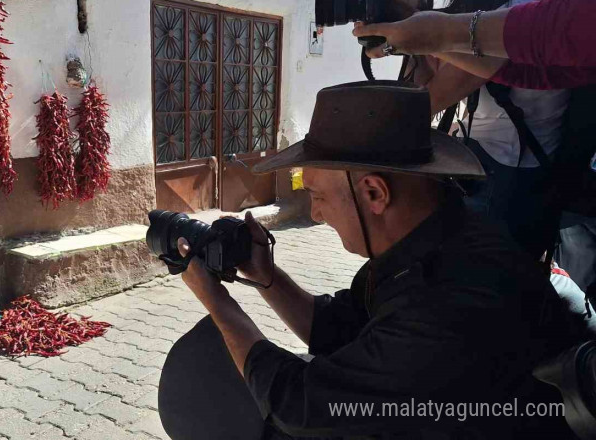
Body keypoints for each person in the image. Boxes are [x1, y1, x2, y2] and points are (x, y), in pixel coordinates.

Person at [158, 81, 581, 438]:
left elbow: (299, 403)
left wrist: (217, 302)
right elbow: (336, 327)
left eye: (319, 196)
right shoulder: (433, 238)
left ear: (375, 194)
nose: (316, 214)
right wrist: (267, 277)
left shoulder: (448, 298)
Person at [406, 0, 568, 259]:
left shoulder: (519, 11)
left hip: (507, 168)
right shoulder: (485, 9)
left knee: (475, 275)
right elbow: (422, 87)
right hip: (487, 157)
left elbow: (424, 103)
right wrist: (413, 30)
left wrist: (412, 31)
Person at [352, 0, 596, 90]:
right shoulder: (463, 10)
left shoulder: (492, 7)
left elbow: (422, 107)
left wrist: (440, 34)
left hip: (510, 156)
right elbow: (528, 72)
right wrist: (420, 41)